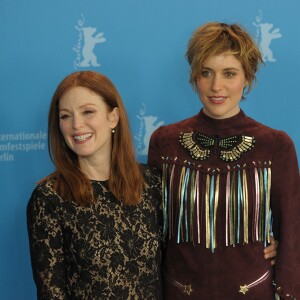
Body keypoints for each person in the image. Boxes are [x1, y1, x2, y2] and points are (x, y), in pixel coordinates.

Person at [148, 22, 300, 299]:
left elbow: (291, 231)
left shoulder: (276, 145)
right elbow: (151, 229)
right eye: (206, 73)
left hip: (253, 291)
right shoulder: (164, 141)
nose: (216, 86)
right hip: (179, 292)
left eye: (229, 73)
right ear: (195, 78)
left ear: (247, 79)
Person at [27, 71, 163, 299]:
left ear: (113, 117)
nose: (76, 125)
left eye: (88, 112)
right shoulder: (49, 199)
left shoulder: (152, 183)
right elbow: (52, 293)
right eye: (65, 116)